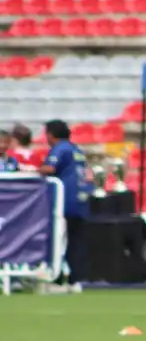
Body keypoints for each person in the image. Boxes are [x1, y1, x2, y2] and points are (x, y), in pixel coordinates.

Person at [39, 119, 91, 286]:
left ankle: (57, 275)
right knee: (76, 240)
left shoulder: (60, 148)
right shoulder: (77, 150)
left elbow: (50, 169)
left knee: (58, 238)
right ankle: (76, 277)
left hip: (64, 201)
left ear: (51, 134)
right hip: (80, 200)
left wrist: (32, 169)